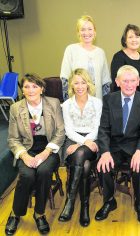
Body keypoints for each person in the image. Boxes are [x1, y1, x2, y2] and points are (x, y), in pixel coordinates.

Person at [5, 74, 65, 235]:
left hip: (49, 149)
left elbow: (60, 132)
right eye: (26, 87)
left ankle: (39, 214)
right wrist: (25, 156)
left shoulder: (53, 103)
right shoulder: (16, 108)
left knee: (44, 172)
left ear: (42, 89)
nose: (31, 90)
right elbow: (13, 139)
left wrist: (45, 153)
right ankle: (15, 214)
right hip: (27, 149)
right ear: (22, 90)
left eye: (34, 86)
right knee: (27, 175)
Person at [95, 65, 140, 224]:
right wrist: (105, 152)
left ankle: (139, 203)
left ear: (138, 81)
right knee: (104, 165)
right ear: (117, 82)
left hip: (135, 146)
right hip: (113, 146)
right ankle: (109, 201)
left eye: (132, 80)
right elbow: (104, 129)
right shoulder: (109, 99)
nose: (129, 84)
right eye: (125, 81)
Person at [58, 68, 102, 227]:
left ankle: (70, 202)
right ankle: (84, 207)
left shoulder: (97, 103)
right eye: (76, 82)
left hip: (93, 139)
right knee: (85, 165)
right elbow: (68, 130)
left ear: (88, 84)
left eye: (83, 82)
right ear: (71, 85)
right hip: (72, 140)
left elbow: (97, 128)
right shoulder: (67, 105)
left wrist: (85, 142)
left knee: (81, 154)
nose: (80, 86)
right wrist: (81, 142)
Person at [60, 15, 111, 101]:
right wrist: (68, 104)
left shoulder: (100, 53)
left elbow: (105, 83)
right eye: (83, 29)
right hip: (76, 103)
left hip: (97, 103)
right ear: (78, 32)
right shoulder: (71, 50)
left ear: (94, 32)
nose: (86, 33)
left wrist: (105, 106)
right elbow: (65, 80)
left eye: (90, 29)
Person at [111, 24, 140, 97]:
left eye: (137, 37)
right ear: (125, 40)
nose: (134, 40)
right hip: (125, 101)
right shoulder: (118, 57)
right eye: (130, 37)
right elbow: (117, 83)